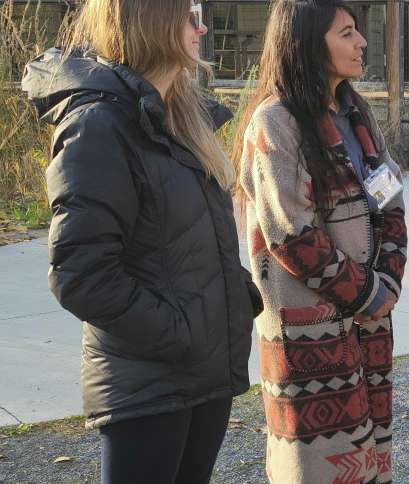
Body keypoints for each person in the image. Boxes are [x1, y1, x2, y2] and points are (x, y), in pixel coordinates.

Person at [22, 1, 262, 482]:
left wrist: (236, 298)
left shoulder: (183, 119)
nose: (202, 26)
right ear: (153, 22)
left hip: (204, 376)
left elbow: (194, 238)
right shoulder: (98, 125)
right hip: (147, 387)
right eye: (190, 15)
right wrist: (181, 333)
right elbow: (80, 275)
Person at [232, 1, 407, 482]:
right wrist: (370, 294)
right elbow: (290, 234)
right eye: (347, 33)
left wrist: (388, 280)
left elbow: (390, 199)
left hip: (369, 320)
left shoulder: (357, 115)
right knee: (316, 467)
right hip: (308, 331)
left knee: (368, 459)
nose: (362, 43)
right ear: (309, 42)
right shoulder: (276, 122)